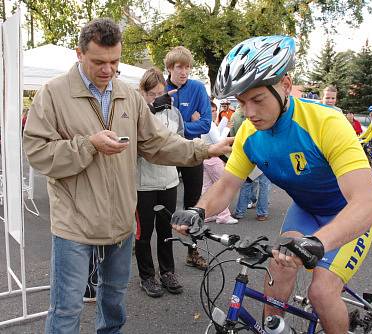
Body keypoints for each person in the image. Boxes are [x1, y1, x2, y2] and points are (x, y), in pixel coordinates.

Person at [23, 18, 232, 334]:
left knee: (114, 304)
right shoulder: (53, 94)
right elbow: (37, 152)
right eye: (98, 62)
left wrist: (205, 149)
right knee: (67, 309)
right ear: (79, 54)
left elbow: (158, 143)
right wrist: (88, 145)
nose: (108, 70)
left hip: (120, 222)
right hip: (74, 224)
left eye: (114, 62)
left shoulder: (128, 95)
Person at [171, 36, 372, 333]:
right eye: (241, 102)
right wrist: (199, 210)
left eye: (257, 99)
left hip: (348, 214)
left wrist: (319, 243)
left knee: (321, 292)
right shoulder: (248, 135)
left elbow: (367, 203)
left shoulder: (326, 122)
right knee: (278, 267)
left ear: (284, 85)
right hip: (306, 210)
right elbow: (227, 185)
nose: (250, 112)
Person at [136, 67, 183, 298]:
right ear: (142, 93)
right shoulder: (137, 110)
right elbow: (144, 144)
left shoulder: (173, 112)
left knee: (166, 230)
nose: (156, 98)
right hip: (143, 183)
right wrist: (151, 109)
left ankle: (167, 272)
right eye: (152, 94)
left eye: (159, 93)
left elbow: (180, 140)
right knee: (143, 233)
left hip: (169, 180)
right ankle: (146, 276)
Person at [165, 46, 212, 271]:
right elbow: (156, 127)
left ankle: (193, 251)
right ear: (170, 68)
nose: (184, 72)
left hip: (193, 151)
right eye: (179, 67)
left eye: (187, 67)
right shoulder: (161, 88)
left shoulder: (197, 88)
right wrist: (189, 124)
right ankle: (160, 254)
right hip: (169, 153)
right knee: (164, 204)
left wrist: (178, 127)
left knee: (194, 206)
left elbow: (206, 123)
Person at [230, 106, 271, 222]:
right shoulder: (266, 120)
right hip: (265, 157)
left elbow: (233, 135)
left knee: (246, 184)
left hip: (247, 156)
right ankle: (262, 213)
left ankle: (239, 212)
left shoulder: (236, 118)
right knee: (264, 185)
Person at [201, 102, 238, 224]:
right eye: (211, 111)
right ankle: (224, 215)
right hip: (213, 158)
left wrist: (224, 126)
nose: (214, 112)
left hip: (206, 158)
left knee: (206, 187)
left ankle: (206, 214)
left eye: (214, 110)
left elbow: (216, 135)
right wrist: (227, 128)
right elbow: (218, 141)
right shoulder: (209, 124)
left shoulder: (207, 123)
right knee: (223, 186)